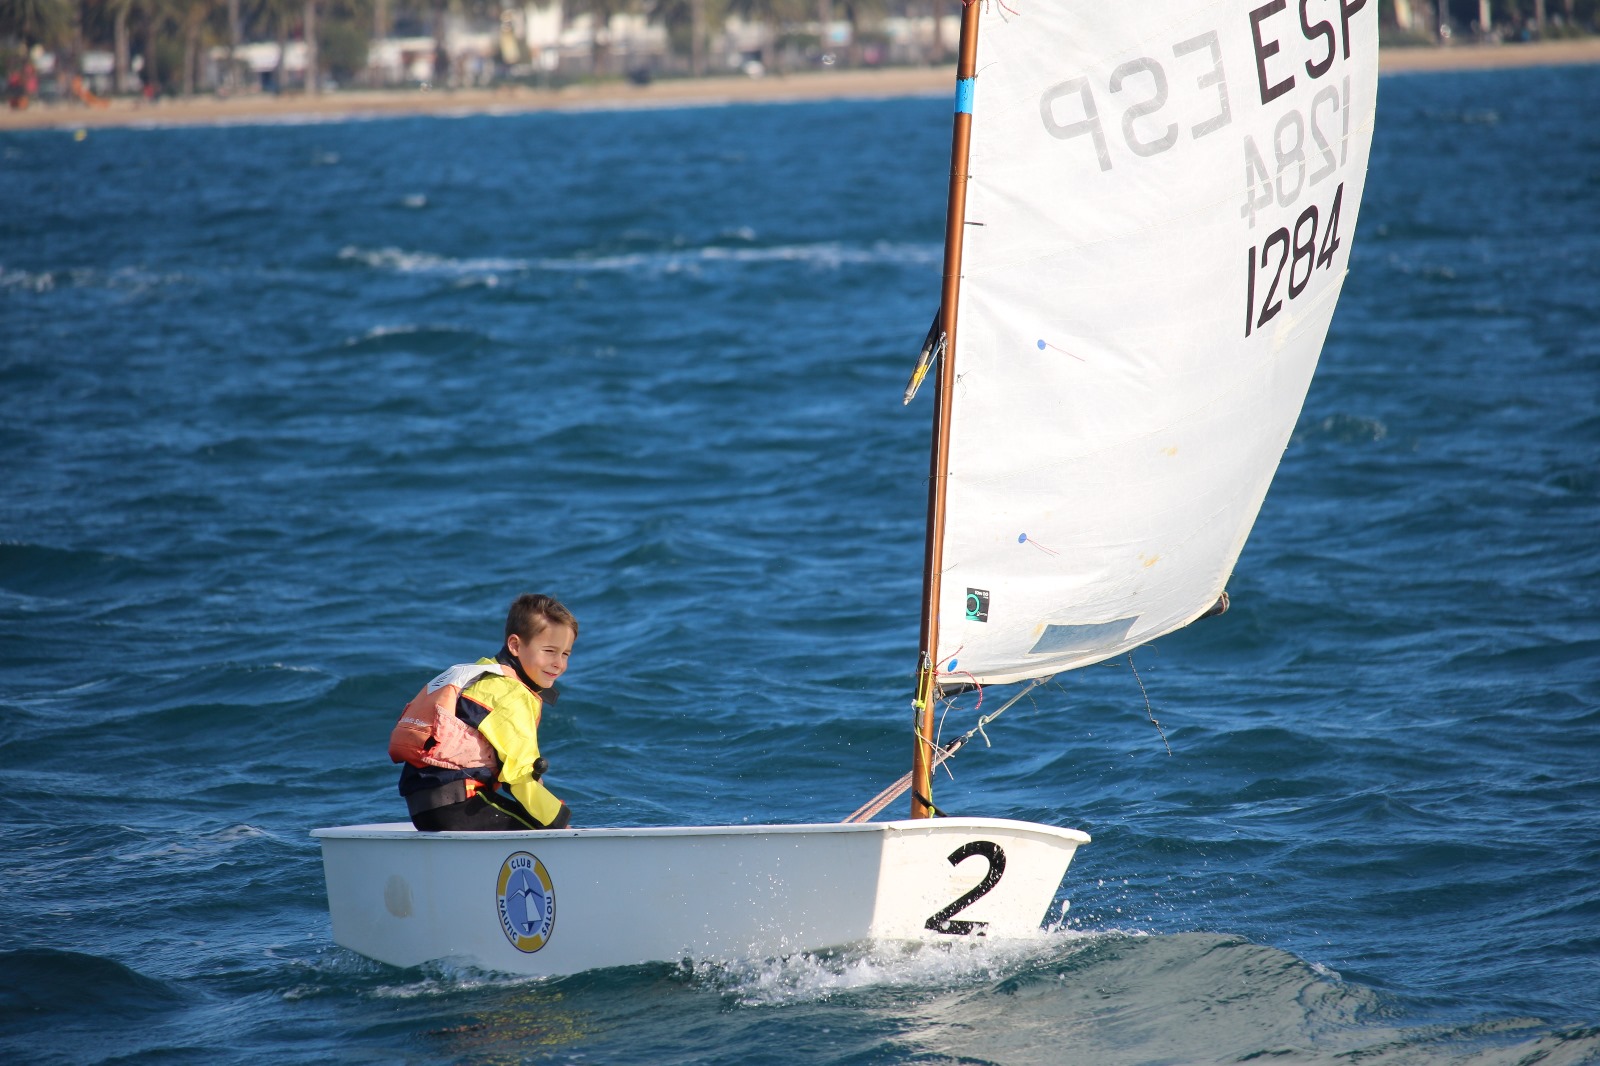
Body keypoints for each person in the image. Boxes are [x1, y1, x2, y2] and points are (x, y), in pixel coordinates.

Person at [394, 594, 577, 831]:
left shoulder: (484, 673)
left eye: (565, 654)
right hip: (459, 804)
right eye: (549, 651)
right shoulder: (510, 693)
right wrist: (560, 821)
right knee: (545, 826)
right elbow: (518, 779)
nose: (559, 663)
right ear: (515, 646)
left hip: (424, 804)